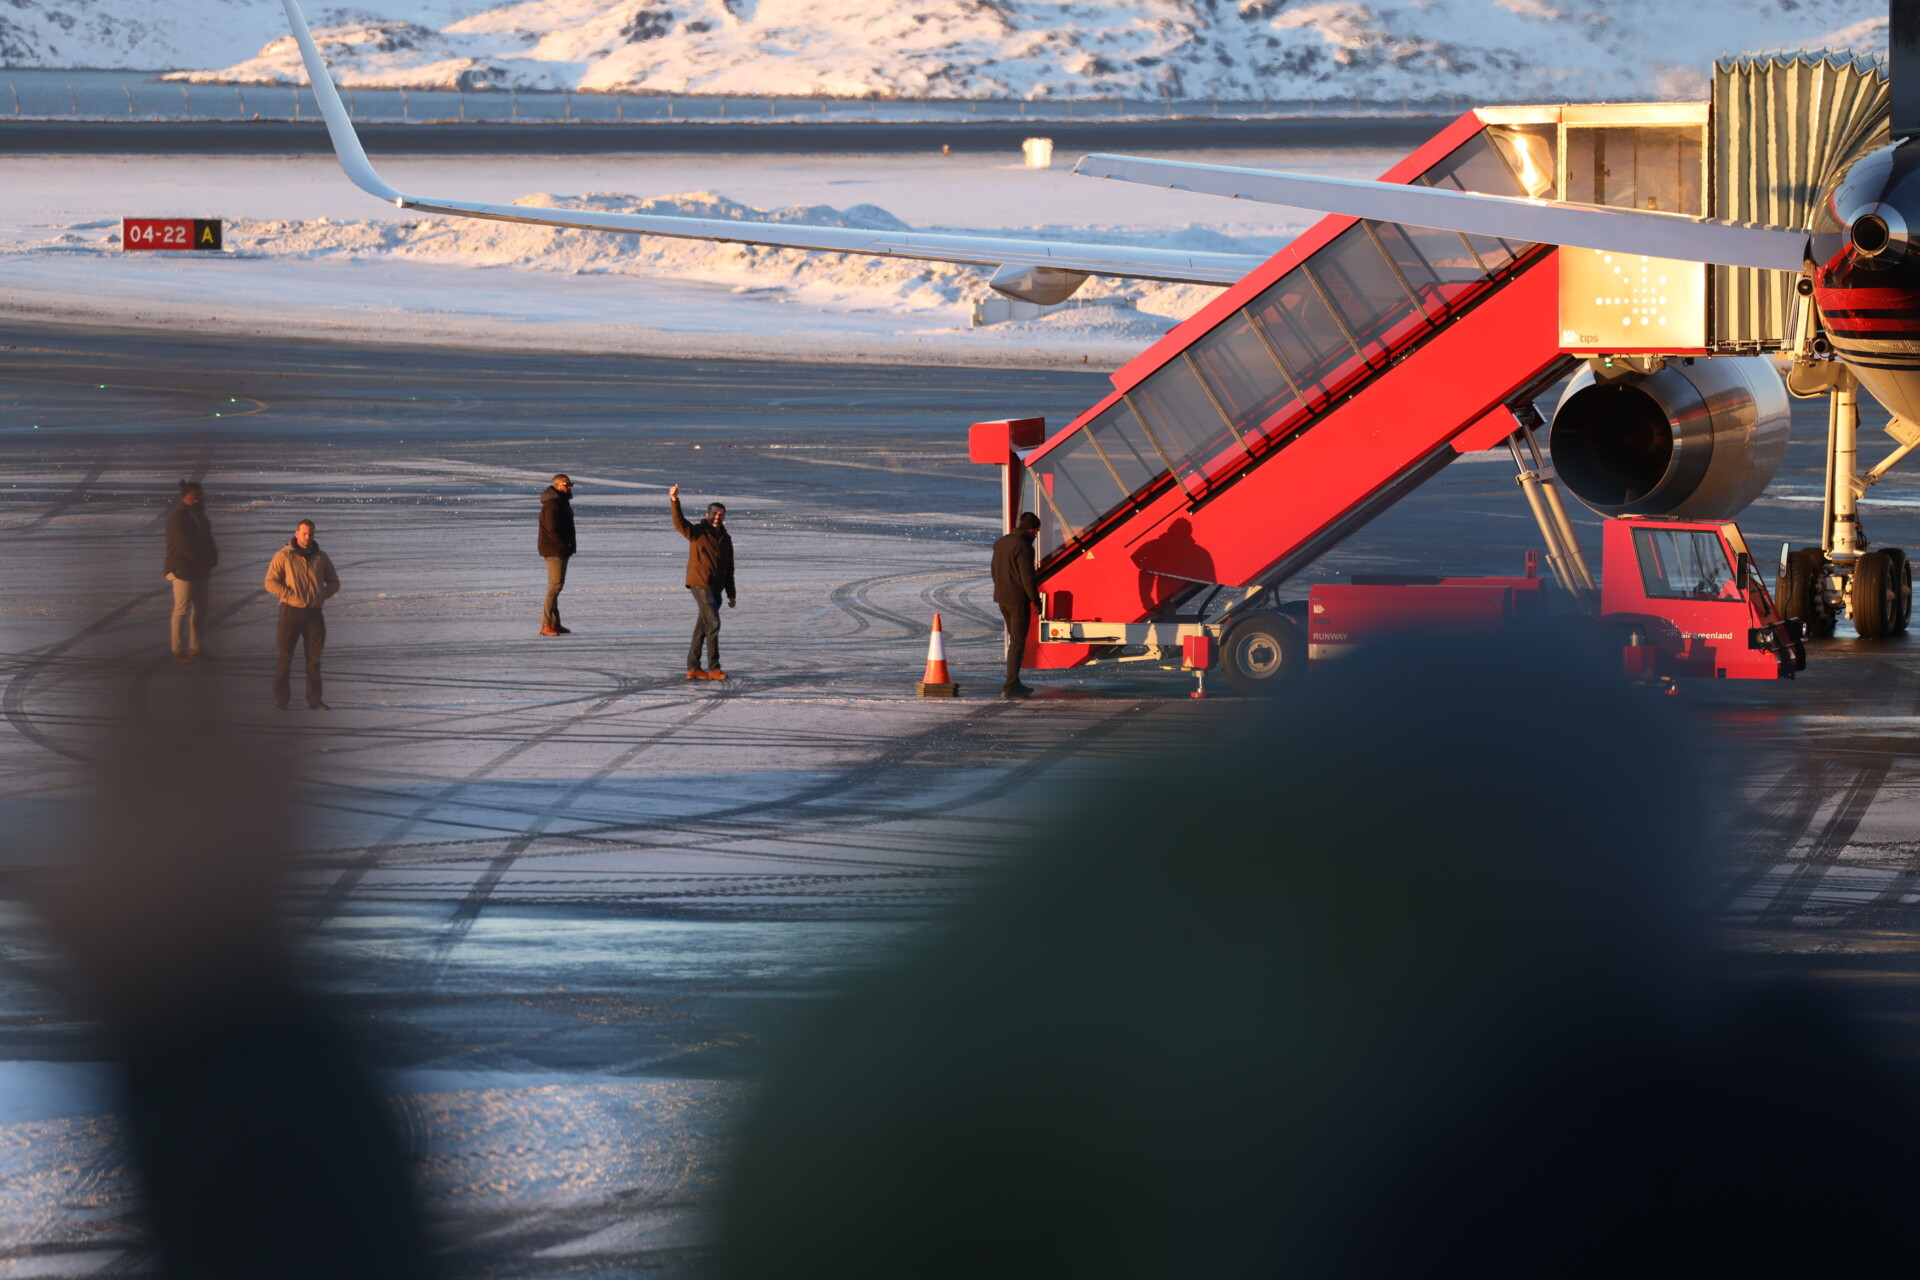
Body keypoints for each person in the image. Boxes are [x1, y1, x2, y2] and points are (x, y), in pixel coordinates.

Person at [263, 520, 340, 711]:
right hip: (291, 611)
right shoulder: (284, 556)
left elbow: (334, 581)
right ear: (296, 533)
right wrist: (289, 595)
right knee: (286, 656)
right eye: (304, 533)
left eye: (311, 534)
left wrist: (323, 594)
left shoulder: (321, 557)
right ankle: (282, 700)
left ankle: (314, 699)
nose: (308, 537)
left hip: (314, 613)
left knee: (314, 658)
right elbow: (270, 582)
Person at [669, 483, 735, 680]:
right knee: (713, 624)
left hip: (717, 589)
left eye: (720, 514)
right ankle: (714, 667)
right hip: (700, 584)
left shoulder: (726, 539)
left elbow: (729, 568)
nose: (717, 517)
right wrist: (674, 500)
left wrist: (731, 593)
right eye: (714, 513)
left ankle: (693, 667)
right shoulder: (698, 532)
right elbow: (679, 523)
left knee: (702, 628)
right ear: (708, 515)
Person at [164, 479, 219, 662]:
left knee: (200, 608)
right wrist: (203, 561)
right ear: (193, 496)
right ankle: (177, 650)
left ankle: (196, 648)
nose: (203, 497)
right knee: (181, 609)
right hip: (183, 569)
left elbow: (208, 539)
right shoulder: (177, 517)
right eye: (200, 494)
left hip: (199, 569)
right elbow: (183, 546)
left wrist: (212, 558)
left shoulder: (199, 515)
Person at [991, 511, 1042, 699]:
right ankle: (1011, 686)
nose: (1037, 534)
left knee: (1015, 642)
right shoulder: (1025, 547)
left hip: (1002, 598)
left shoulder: (1001, 542)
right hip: (1018, 600)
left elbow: (994, 570)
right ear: (1031, 529)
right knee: (1017, 643)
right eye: (1036, 530)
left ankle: (1015, 682)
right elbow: (1027, 577)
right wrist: (1035, 600)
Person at [537, 474, 577, 636]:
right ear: (557, 485)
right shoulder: (552, 504)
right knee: (555, 586)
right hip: (555, 550)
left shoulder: (560, 502)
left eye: (570, 485)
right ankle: (546, 624)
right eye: (567, 485)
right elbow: (552, 528)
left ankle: (555, 623)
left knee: (556, 586)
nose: (569, 487)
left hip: (560, 549)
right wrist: (563, 544)